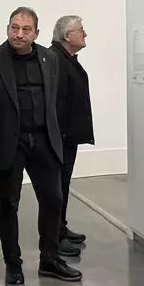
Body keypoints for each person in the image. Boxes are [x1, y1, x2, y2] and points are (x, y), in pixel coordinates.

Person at [0, 7, 82, 286]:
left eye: (26, 29)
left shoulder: (49, 58)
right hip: (10, 143)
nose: (19, 33)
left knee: (53, 199)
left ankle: (49, 259)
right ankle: (13, 265)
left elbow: (54, 99)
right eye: (14, 27)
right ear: (7, 29)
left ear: (36, 34)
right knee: (9, 203)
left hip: (43, 140)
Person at [48, 15, 93, 252]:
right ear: (67, 36)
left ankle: (61, 227)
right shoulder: (55, 60)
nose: (85, 34)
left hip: (67, 137)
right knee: (56, 188)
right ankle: (54, 236)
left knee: (63, 185)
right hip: (59, 138)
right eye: (81, 30)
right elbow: (55, 103)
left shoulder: (66, 59)